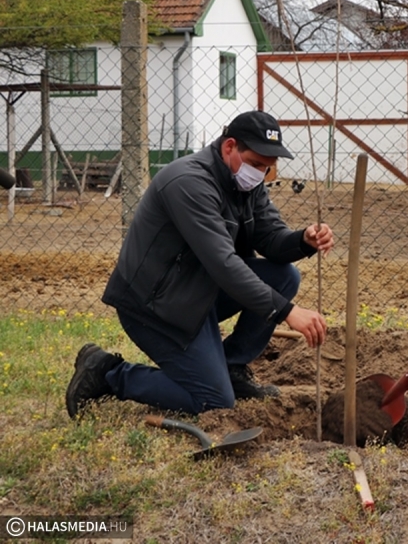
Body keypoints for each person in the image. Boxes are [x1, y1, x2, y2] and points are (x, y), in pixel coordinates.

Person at [66, 110, 331, 417]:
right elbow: (223, 263)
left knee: (284, 277)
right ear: (230, 147)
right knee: (213, 400)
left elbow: (270, 237)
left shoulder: (246, 183)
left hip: (197, 293)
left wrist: (303, 240)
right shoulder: (189, 182)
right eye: (257, 164)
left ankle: (231, 367)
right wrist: (286, 311)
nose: (261, 174)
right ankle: (109, 373)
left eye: (268, 169)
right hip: (154, 306)